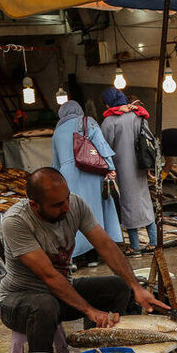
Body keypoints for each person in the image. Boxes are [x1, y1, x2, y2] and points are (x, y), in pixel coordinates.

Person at [0, 168, 168, 353]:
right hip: (18, 302)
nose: (66, 208)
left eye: (67, 199)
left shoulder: (75, 204)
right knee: (45, 306)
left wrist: (136, 288)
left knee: (118, 287)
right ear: (34, 205)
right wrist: (90, 310)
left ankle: (100, 350)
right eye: (57, 205)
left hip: (60, 296)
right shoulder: (16, 221)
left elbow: (106, 246)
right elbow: (49, 276)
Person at [52, 100, 122, 260]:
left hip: (67, 176)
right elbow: (100, 144)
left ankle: (75, 255)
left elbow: (55, 163)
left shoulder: (57, 131)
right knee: (94, 212)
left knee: (73, 214)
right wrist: (110, 166)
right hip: (90, 170)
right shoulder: (86, 121)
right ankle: (95, 254)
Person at [99, 87, 156, 256]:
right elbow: (149, 137)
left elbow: (104, 146)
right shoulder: (138, 116)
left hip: (122, 167)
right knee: (144, 201)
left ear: (108, 103)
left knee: (128, 205)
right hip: (141, 165)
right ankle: (153, 242)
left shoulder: (109, 122)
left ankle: (135, 246)